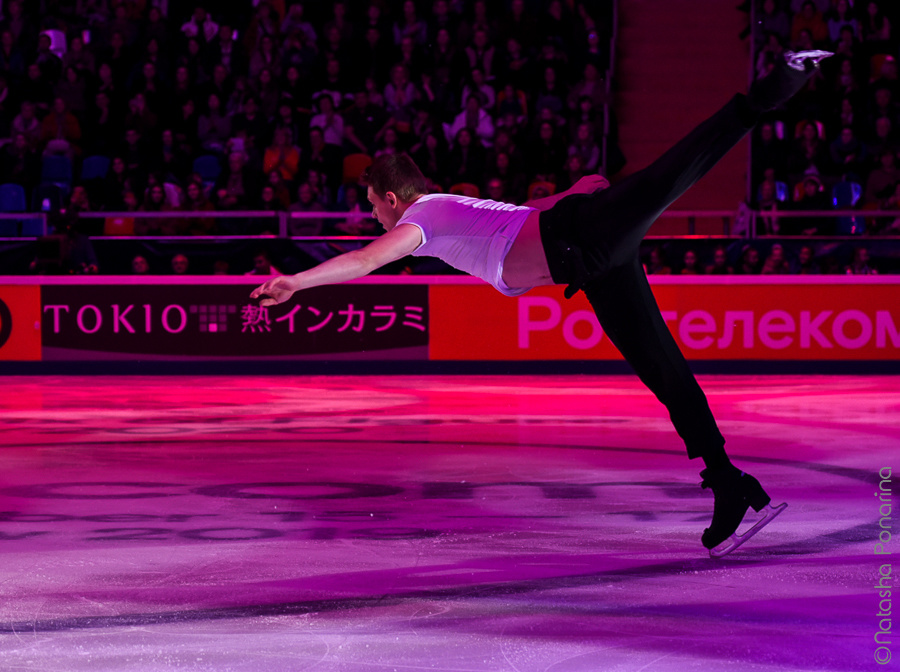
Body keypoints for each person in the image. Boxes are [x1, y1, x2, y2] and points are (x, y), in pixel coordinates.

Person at [252, 51, 832, 558]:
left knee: (678, 169)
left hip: (586, 237)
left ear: (390, 196)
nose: (375, 218)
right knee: (664, 369)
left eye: (374, 206)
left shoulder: (420, 215)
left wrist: (297, 282)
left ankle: (779, 82)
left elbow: (367, 260)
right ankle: (727, 481)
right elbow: (519, 216)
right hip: (590, 259)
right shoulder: (451, 205)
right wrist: (570, 191)